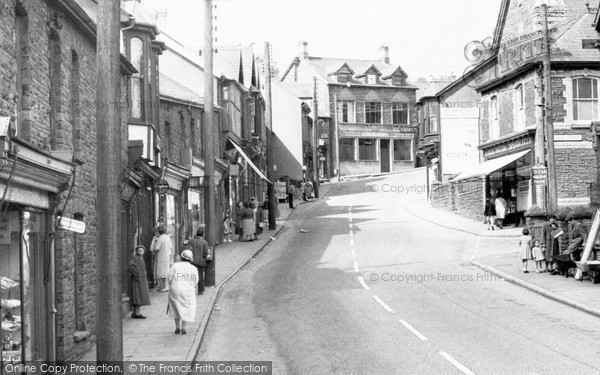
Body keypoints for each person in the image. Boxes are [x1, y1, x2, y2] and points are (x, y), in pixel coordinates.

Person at [167, 250, 199, 335]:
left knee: (175, 308)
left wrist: (170, 284)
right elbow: (196, 281)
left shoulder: (175, 266)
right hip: (188, 291)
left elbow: (169, 278)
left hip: (175, 289)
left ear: (181, 257)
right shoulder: (193, 268)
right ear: (191, 259)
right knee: (186, 308)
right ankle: (184, 328)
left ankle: (177, 327)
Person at [128, 245, 151, 318]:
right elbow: (130, 266)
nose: (141, 252)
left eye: (142, 251)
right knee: (138, 296)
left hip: (142, 280)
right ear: (136, 251)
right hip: (137, 280)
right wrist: (136, 274)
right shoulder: (135, 258)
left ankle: (135, 312)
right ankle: (137, 314)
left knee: (139, 296)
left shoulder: (141, 259)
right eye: (139, 250)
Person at [188, 226, 209, 295]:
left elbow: (189, 249)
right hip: (200, 261)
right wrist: (204, 257)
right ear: (203, 234)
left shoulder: (191, 241)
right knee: (200, 275)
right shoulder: (204, 243)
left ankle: (191, 289)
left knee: (192, 276)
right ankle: (200, 290)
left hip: (192, 261)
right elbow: (206, 252)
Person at [151, 225, 172, 292]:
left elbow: (156, 248)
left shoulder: (160, 238)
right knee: (165, 272)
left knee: (160, 272)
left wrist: (154, 249)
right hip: (167, 256)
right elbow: (170, 246)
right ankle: (165, 286)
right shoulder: (167, 237)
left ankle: (163, 287)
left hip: (161, 256)